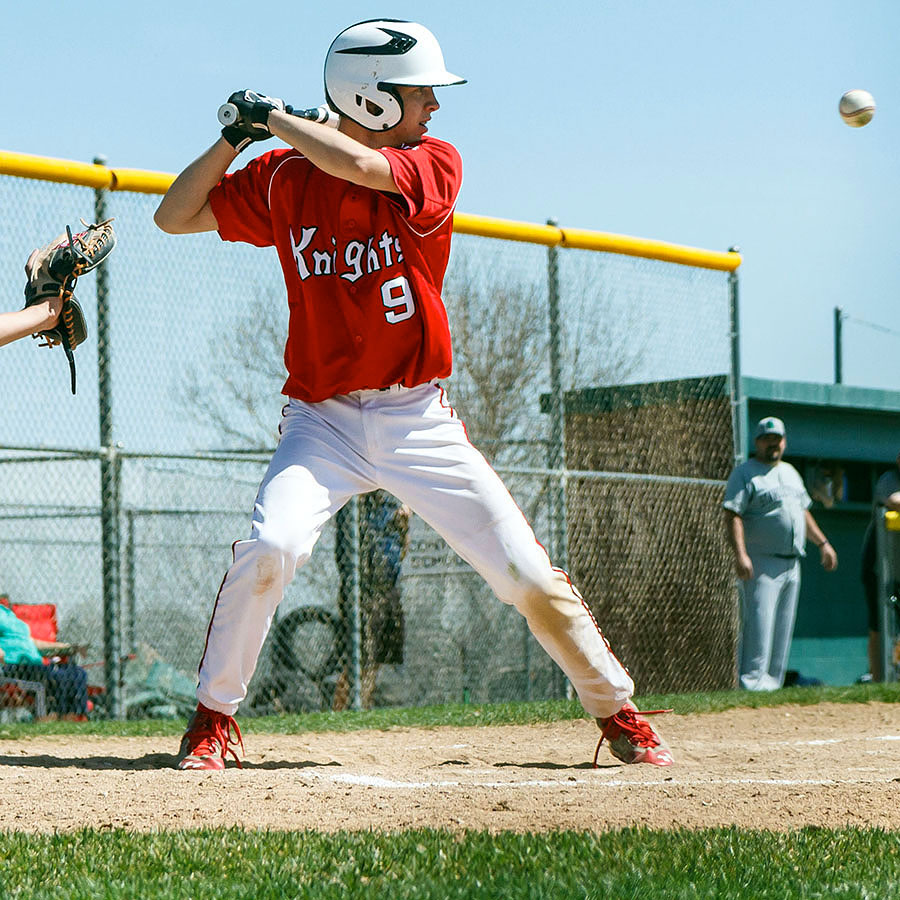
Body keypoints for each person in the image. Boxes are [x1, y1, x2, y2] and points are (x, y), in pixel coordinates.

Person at [155, 18, 673, 770]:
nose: (433, 108)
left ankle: (616, 709)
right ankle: (211, 719)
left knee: (523, 571)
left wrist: (274, 119)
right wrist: (236, 139)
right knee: (272, 548)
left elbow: (363, 170)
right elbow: (174, 216)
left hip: (414, 417)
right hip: (320, 422)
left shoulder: (434, 161)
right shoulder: (283, 178)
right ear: (368, 99)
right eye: (419, 94)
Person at [723, 416, 838, 690]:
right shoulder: (745, 473)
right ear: (757, 442)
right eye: (767, 439)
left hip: (792, 563)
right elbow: (732, 513)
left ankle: (771, 687)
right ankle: (751, 685)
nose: (773, 444)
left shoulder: (791, 472)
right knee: (759, 629)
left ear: (784, 442)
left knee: (782, 632)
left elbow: (803, 513)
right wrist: (741, 554)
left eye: (777, 439)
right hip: (761, 561)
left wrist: (823, 543)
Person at [333, 491, 410, 710]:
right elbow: (345, 552)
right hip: (361, 590)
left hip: (388, 588)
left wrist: (404, 526)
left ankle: (363, 705)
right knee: (357, 659)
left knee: (377, 658)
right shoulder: (354, 506)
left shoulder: (391, 506)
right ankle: (339, 710)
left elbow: (402, 551)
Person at [0, 603, 88, 719]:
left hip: (36, 665)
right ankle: (53, 715)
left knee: (78, 673)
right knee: (56, 675)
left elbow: (31, 643)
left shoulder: (8, 614)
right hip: (13, 666)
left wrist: (68, 647)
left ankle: (74, 715)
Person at [859, 449, 900, 681]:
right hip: (878, 566)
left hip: (898, 568)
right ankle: (878, 679)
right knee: (879, 625)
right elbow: (895, 501)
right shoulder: (889, 479)